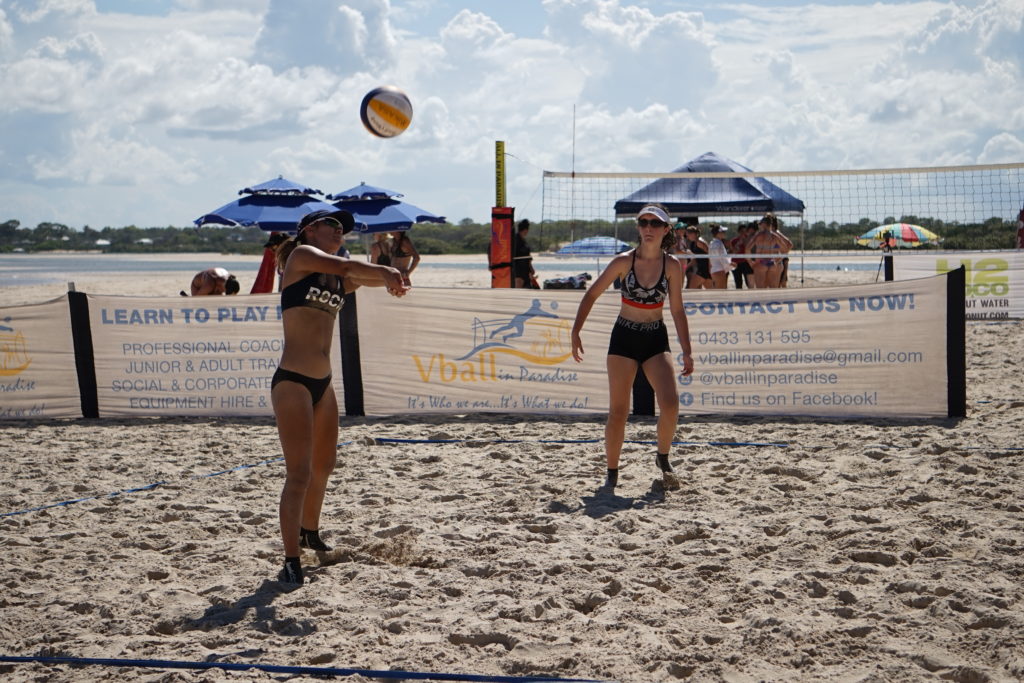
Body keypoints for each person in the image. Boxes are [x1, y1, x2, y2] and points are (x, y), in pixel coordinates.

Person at [272, 209, 409, 585]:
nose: (339, 232)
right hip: (292, 382)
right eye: (332, 226)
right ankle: (290, 559)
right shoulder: (301, 257)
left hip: (323, 383)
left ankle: (309, 532)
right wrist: (385, 272)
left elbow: (357, 276)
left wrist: (391, 277)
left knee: (325, 465)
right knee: (298, 473)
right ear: (309, 230)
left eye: (343, 230)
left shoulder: (335, 276)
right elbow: (350, 269)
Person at [570, 203, 694, 492]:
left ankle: (662, 457)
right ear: (638, 227)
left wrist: (686, 349)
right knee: (618, 411)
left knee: (671, 405)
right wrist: (576, 331)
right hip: (624, 337)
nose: (648, 228)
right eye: (643, 222)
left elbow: (677, 311)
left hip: (655, 337)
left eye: (654, 223)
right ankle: (612, 473)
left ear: (666, 230)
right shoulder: (623, 261)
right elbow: (591, 295)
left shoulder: (673, 265)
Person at [747, 213, 788, 288]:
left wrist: (750, 262)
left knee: (761, 289)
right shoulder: (775, 236)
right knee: (774, 289)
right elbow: (785, 249)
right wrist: (777, 260)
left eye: (760, 224)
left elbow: (747, 248)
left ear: (764, 224)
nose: (759, 226)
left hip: (760, 262)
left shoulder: (758, 235)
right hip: (772, 262)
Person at [684, 224, 711, 289]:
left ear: (693, 234)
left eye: (688, 234)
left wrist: (710, 268)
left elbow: (710, 255)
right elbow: (695, 259)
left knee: (690, 289)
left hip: (704, 270)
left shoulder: (700, 242)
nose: (687, 237)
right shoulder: (693, 243)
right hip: (702, 269)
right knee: (711, 291)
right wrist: (685, 267)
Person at [513, 219, 538, 288]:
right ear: (525, 230)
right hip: (518, 270)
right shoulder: (516, 240)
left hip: (525, 270)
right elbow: (522, 256)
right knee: (518, 291)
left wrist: (531, 269)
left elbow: (527, 257)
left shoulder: (522, 241)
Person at [729, 223, 754, 289]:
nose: (744, 233)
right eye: (742, 231)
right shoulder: (734, 241)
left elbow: (749, 249)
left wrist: (744, 240)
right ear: (739, 232)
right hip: (736, 263)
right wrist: (738, 244)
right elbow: (732, 252)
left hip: (745, 262)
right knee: (738, 283)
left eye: (745, 231)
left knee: (749, 283)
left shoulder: (749, 240)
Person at [708, 224, 731, 289]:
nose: (724, 233)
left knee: (718, 290)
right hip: (719, 270)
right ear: (718, 233)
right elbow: (723, 259)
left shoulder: (712, 243)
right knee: (721, 291)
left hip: (714, 269)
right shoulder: (718, 243)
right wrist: (730, 265)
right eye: (723, 232)